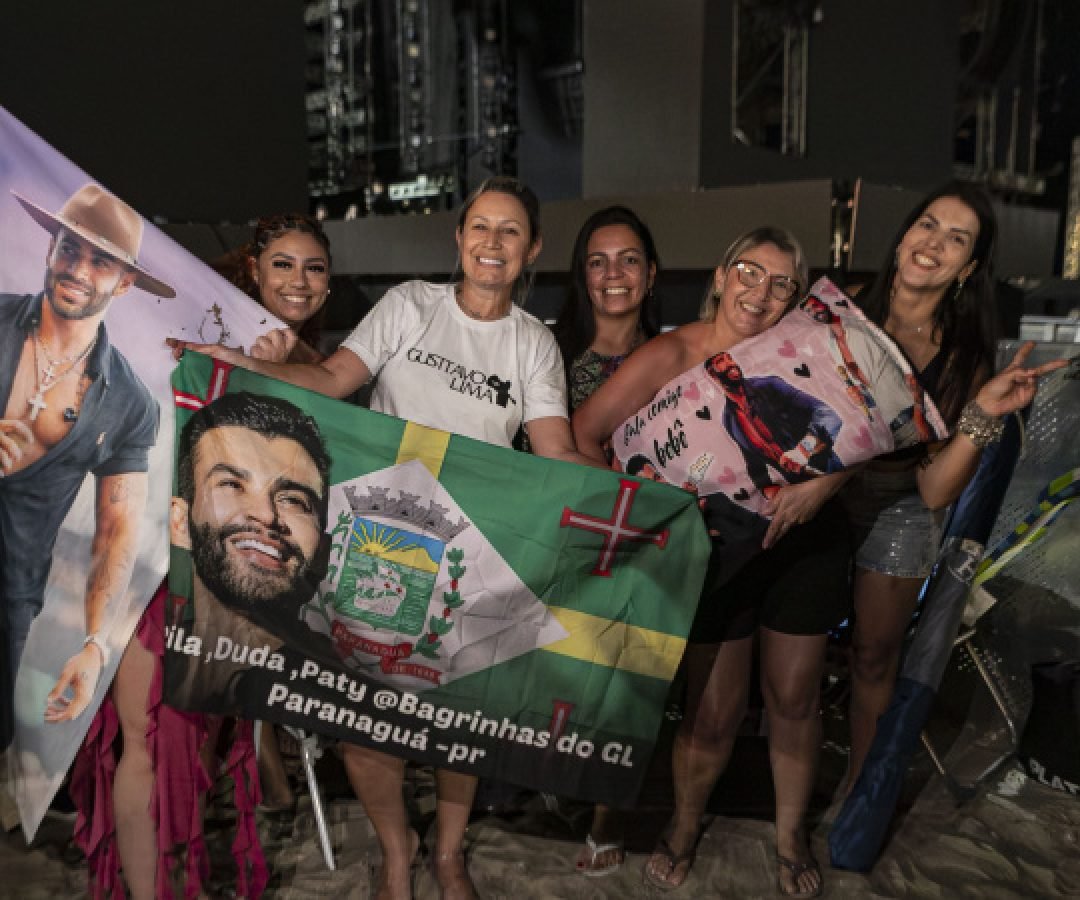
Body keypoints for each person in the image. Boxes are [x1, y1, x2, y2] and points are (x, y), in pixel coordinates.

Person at [171, 176, 596, 900]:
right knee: (368, 718)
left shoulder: (534, 344)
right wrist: (238, 364)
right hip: (377, 537)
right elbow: (332, 379)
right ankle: (397, 855)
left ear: (533, 249)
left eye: (510, 231)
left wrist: (646, 497)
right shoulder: (409, 306)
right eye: (481, 228)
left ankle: (451, 854)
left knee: (457, 712)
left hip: (474, 546)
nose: (492, 243)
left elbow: (554, 450)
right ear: (459, 239)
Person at [72, 213, 336, 899]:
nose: (298, 281)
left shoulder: (326, 371)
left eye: (313, 268)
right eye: (282, 264)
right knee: (145, 733)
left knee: (201, 741)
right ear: (254, 269)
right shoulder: (195, 335)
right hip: (155, 564)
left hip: (237, 586)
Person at [575, 227, 845, 896]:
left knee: (794, 698)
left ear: (794, 299)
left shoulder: (806, 355)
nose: (762, 291)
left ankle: (789, 838)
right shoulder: (673, 352)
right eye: (750, 272)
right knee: (712, 710)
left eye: (782, 283)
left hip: (801, 538)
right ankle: (685, 828)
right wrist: (645, 508)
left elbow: (861, 433)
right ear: (722, 276)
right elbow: (584, 434)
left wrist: (824, 483)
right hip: (711, 548)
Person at [840, 182, 1067, 790]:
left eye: (956, 238)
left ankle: (859, 795)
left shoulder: (964, 360)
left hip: (900, 507)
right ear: (903, 237)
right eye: (927, 225)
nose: (934, 243)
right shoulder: (838, 311)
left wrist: (984, 415)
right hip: (821, 495)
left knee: (873, 657)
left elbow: (937, 492)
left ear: (967, 267)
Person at [0, 183, 172, 750]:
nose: (78, 268)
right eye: (70, 249)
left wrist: (97, 643)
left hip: (12, 602)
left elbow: (118, 531)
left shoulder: (128, 401)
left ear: (125, 282)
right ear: (50, 250)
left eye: (101, 260)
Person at [547, 205, 661, 876]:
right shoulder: (548, 352)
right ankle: (563, 784)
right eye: (597, 260)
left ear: (650, 274)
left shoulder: (681, 354)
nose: (612, 274)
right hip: (568, 534)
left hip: (647, 542)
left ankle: (607, 816)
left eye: (627, 260)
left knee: (630, 680)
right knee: (565, 675)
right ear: (581, 275)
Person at [165, 391, 335, 711]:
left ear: (323, 550)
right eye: (232, 485)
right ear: (180, 522)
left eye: (294, 500)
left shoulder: (343, 694)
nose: (266, 516)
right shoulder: (149, 653)